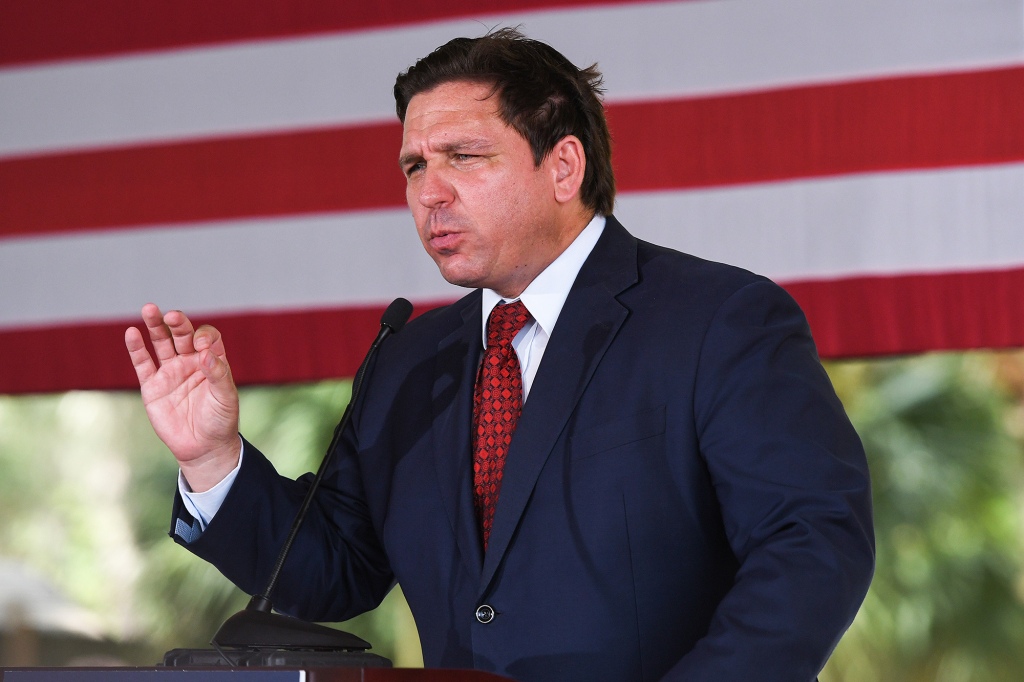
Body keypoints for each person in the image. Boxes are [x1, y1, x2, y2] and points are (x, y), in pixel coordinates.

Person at [126, 28, 874, 682]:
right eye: (414, 166)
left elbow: (812, 546)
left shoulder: (719, 321)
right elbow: (334, 572)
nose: (431, 193)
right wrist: (213, 459)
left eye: (465, 156)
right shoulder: (408, 361)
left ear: (564, 168)